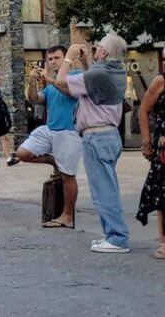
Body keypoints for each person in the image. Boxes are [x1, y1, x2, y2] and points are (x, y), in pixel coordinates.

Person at [53, 36, 130, 253]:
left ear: (104, 53)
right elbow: (91, 82)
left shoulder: (100, 73)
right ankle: (112, 235)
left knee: (103, 190)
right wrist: (86, 62)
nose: (95, 50)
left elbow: (61, 82)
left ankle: (117, 238)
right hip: (109, 135)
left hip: (96, 136)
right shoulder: (116, 70)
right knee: (108, 187)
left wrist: (69, 58)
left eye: (98, 48)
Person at [18, 45, 82, 228]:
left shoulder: (76, 75)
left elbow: (72, 92)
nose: (53, 61)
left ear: (65, 59)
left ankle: (67, 215)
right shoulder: (52, 84)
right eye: (50, 59)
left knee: (68, 175)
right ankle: (53, 161)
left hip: (69, 131)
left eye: (57, 58)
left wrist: (51, 80)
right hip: (50, 130)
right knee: (23, 153)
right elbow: (34, 99)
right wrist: (32, 82)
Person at [136, 70, 165, 259]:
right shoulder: (161, 81)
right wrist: (147, 141)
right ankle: (163, 240)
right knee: (163, 194)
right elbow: (143, 110)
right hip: (163, 148)